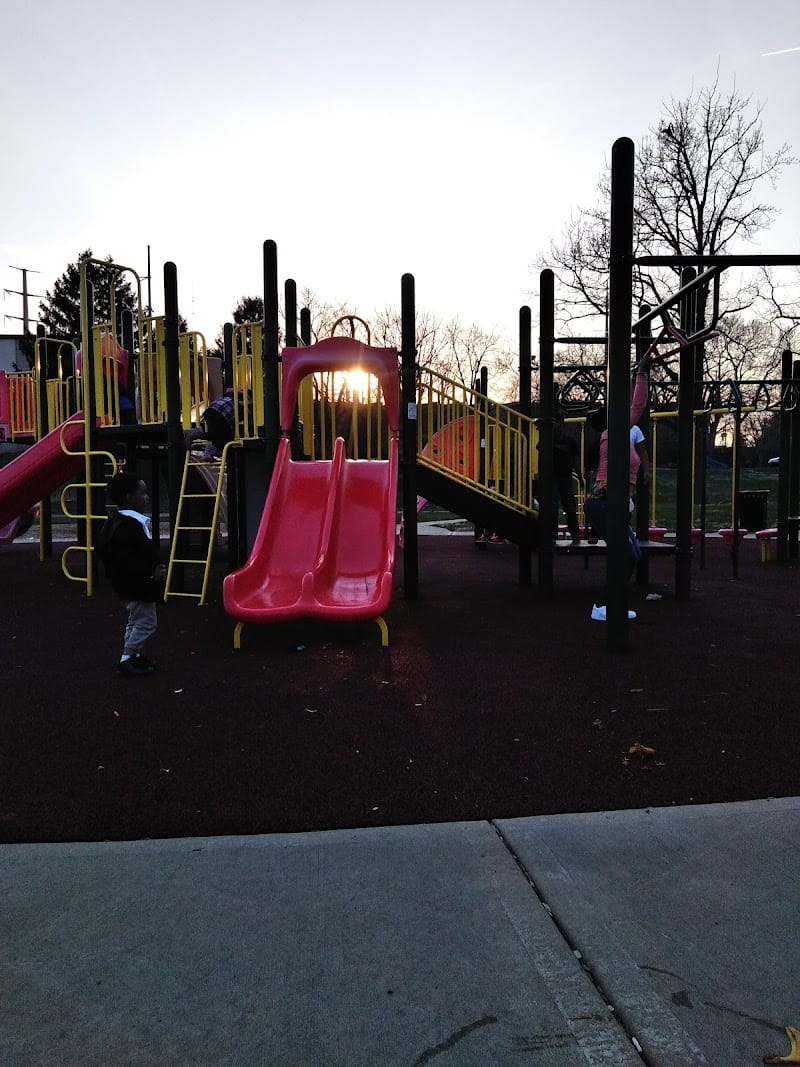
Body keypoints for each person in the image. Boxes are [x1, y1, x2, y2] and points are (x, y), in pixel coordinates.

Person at [584, 352, 656, 621]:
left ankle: (608, 602)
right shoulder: (611, 433)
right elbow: (637, 406)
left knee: (633, 554)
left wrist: (638, 372)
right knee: (624, 555)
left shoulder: (622, 435)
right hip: (603, 503)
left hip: (612, 503)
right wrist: (642, 373)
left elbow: (633, 406)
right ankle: (603, 605)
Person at [98, 471, 166, 677]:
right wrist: (152, 573)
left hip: (128, 583)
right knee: (147, 622)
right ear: (129, 497)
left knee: (136, 619)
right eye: (142, 493)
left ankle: (134, 654)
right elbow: (129, 559)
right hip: (137, 583)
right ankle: (127, 657)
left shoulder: (117, 522)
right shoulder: (128, 527)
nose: (146, 497)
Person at [551, 416, 583, 545]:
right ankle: (552, 536)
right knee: (552, 506)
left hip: (564, 476)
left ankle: (575, 534)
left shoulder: (569, 441)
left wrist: (580, 477)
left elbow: (575, 460)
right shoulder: (548, 439)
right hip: (553, 477)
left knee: (569, 505)